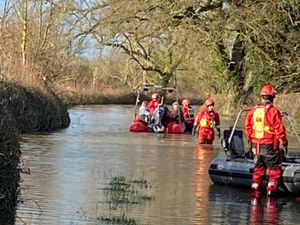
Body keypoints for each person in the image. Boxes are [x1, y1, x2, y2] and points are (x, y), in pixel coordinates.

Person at [245, 83, 288, 196]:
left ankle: (255, 190)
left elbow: (248, 127)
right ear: (272, 97)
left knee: (258, 169)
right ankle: (271, 191)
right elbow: (279, 128)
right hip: (269, 145)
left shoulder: (253, 111)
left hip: (256, 146)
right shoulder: (273, 111)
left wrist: (250, 140)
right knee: (275, 169)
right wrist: (284, 142)